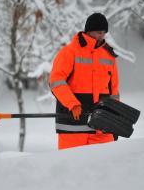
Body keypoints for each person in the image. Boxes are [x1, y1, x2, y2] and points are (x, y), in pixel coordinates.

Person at [49, 13, 120, 150]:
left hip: (101, 127)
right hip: (73, 126)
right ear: (89, 31)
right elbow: (56, 81)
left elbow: (114, 92)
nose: (102, 36)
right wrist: (73, 104)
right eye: (99, 32)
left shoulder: (108, 56)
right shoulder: (70, 52)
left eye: (104, 33)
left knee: (104, 169)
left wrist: (115, 121)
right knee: (72, 168)